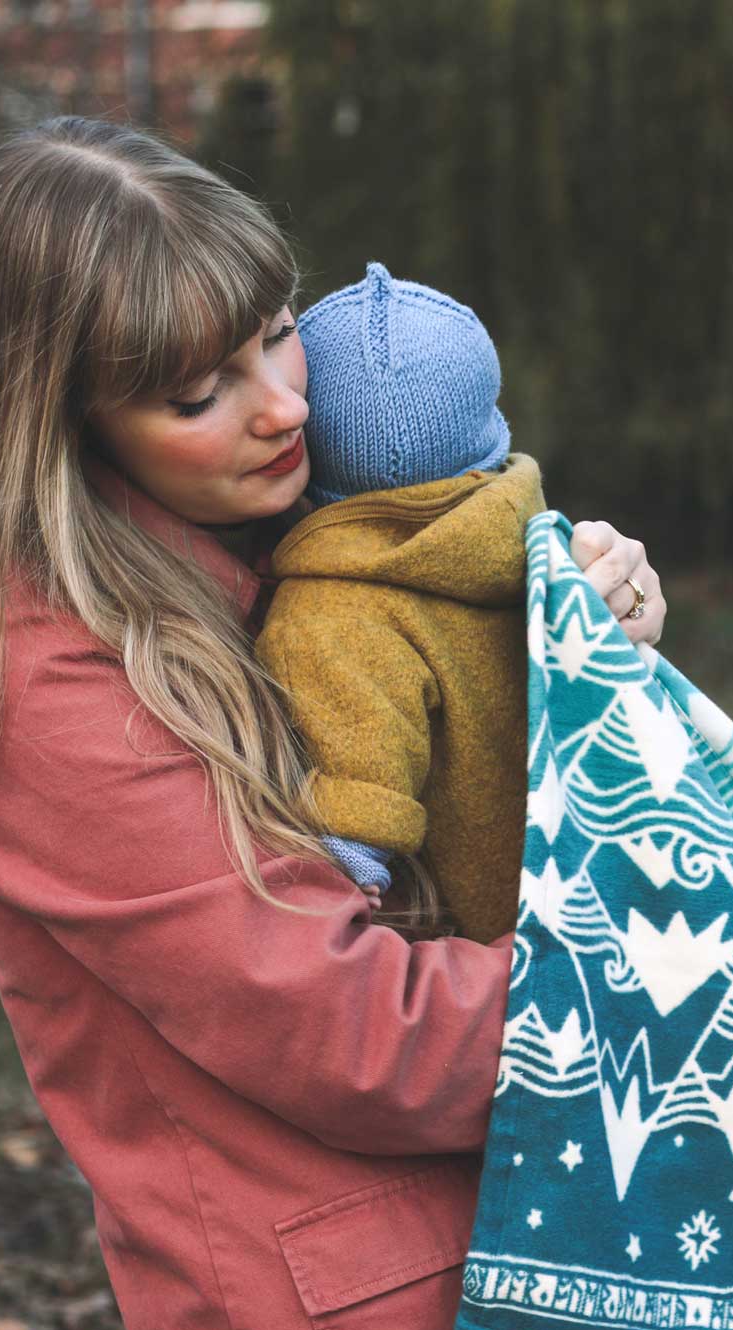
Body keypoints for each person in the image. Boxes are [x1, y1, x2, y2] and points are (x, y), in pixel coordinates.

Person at [0, 115, 733, 1330]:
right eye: (199, 388)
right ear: (60, 417)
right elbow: (347, 1026)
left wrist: (572, 637)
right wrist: (686, 997)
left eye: (274, 337)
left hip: (573, 1275)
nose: (277, 410)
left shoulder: (298, 529)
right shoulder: (45, 689)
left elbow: (481, 784)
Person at [256, 260, 566, 937]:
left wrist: (340, 866)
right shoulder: (532, 544)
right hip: (600, 880)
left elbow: (357, 784)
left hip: (486, 938)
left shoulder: (332, 612)